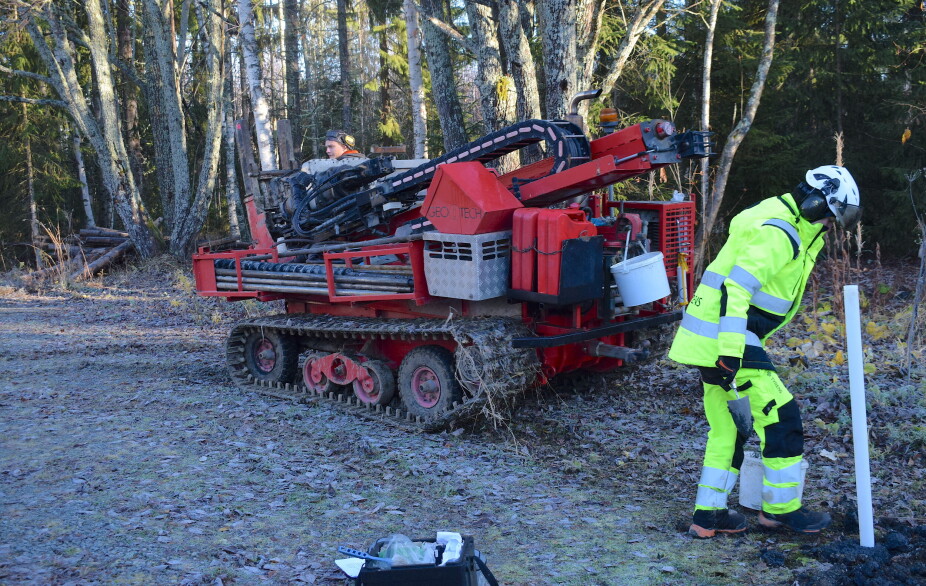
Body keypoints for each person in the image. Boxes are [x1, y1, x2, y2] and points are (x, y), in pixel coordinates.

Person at [668, 165, 861, 538]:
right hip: (727, 339)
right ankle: (780, 510)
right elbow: (736, 291)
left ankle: (708, 518)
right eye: (827, 216)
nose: (827, 224)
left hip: (714, 338)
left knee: (728, 429)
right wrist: (729, 354)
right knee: (782, 416)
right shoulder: (780, 233)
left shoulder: (782, 220)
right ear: (813, 203)